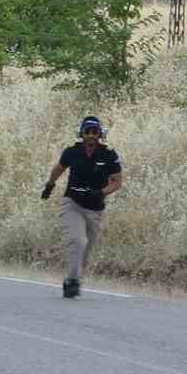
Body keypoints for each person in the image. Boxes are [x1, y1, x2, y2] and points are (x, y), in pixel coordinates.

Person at [41, 116, 123, 299]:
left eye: (95, 132)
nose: (91, 136)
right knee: (77, 240)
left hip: (95, 208)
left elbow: (117, 182)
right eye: (87, 132)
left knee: (87, 248)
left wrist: (102, 192)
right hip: (73, 203)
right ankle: (71, 282)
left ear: (100, 134)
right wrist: (50, 185)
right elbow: (58, 169)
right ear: (81, 133)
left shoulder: (109, 154)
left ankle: (76, 278)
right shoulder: (71, 151)